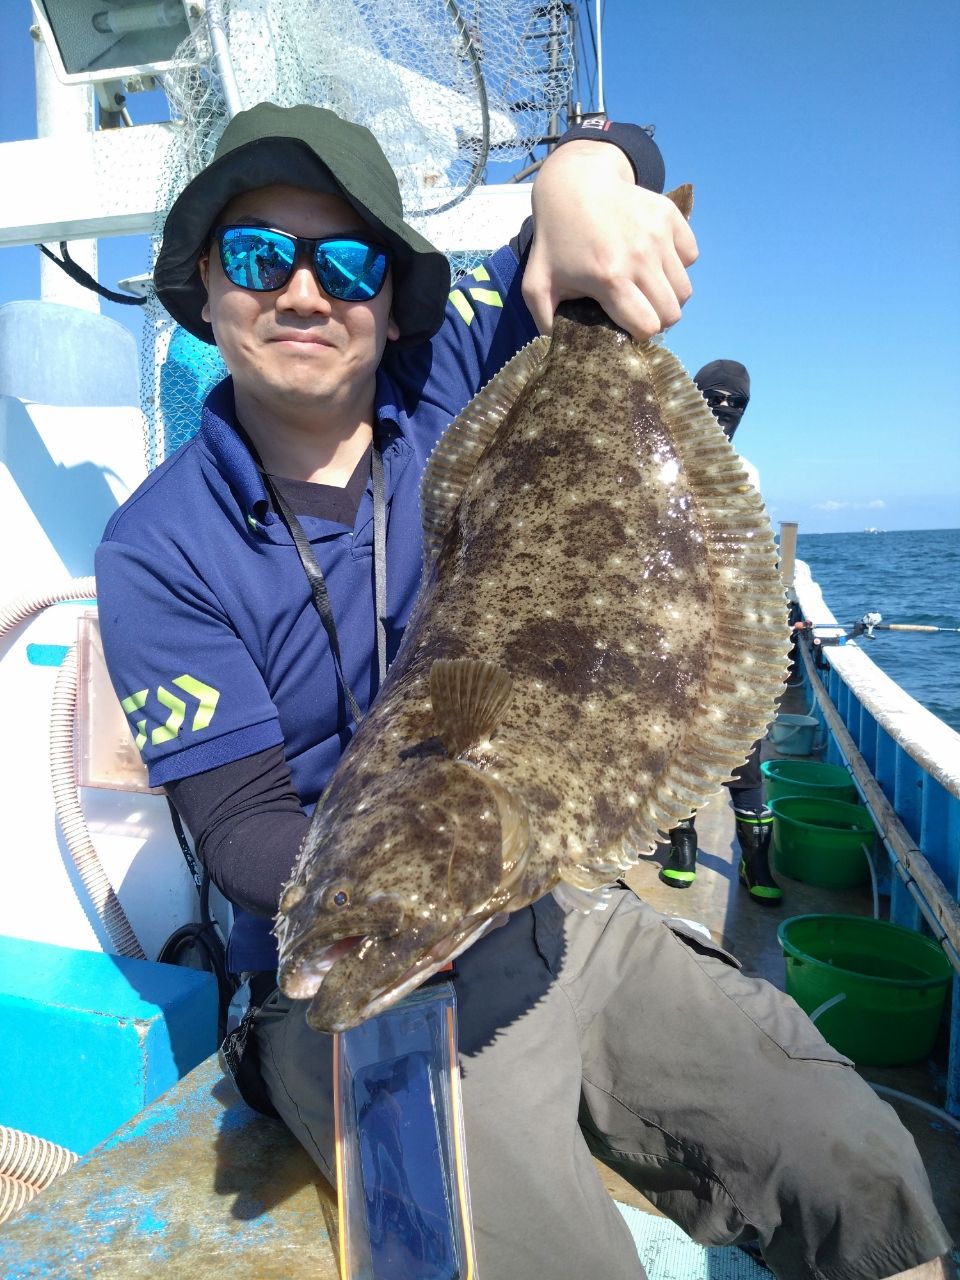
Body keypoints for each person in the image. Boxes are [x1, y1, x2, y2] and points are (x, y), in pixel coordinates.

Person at [95, 103, 950, 1280]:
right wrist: (398, 893)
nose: (303, 290)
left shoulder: (454, 367)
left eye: (345, 259)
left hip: (554, 909)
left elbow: (614, 192)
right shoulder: (156, 549)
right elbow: (239, 824)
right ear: (205, 282)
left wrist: (583, 177)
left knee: (858, 1167)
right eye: (259, 253)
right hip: (356, 965)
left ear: (393, 297)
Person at [659, 360, 783, 906]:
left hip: (731, 631)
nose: (725, 410)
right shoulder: (658, 456)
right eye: (714, 397)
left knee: (744, 747)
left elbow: (751, 557)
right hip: (670, 627)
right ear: (692, 395)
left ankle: (757, 860)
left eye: (738, 403)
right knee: (675, 739)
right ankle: (681, 845)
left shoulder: (747, 472)